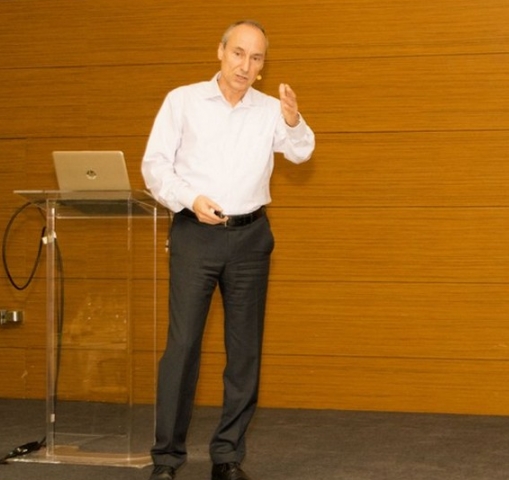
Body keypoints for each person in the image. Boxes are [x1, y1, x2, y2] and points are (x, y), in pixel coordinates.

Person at [141, 19, 315, 480]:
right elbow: (155, 166)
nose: (245, 65)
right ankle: (166, 458)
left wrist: (293, 119)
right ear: (220, 52)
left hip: (250, 237)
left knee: (244, 351)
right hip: (195, 234)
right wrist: (189, 199)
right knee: (182, 347)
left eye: (256, 58)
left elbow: (301, 152)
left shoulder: (270, 110)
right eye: (238, 53)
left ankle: (227, 455)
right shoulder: (183, 101)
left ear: (262, 67)